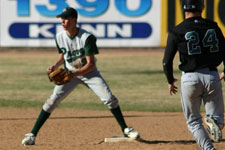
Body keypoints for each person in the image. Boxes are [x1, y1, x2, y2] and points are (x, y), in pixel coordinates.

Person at [22, 7, 140, 145]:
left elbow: (91, 65)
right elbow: (63, 55)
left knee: (109, 99)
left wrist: (73, 74)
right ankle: (32, 135)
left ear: (74, 19)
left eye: (66, 18)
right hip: (69, 73)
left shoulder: (86, 38)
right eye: (62, 19)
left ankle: (126, 129)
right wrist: (55, 66)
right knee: (51, 102)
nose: (63, 21)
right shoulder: (60, 37)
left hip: (89, 74)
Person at [163, 0, 225, 150]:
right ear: (202, 7)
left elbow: (166, 61)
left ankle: (209, 149)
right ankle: (214, 122)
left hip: (189, 79)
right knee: (218, 119)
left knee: (194, 121)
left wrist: (170, 80)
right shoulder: (213, 26)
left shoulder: (177, 30)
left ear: (184, 9)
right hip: (212, 76)